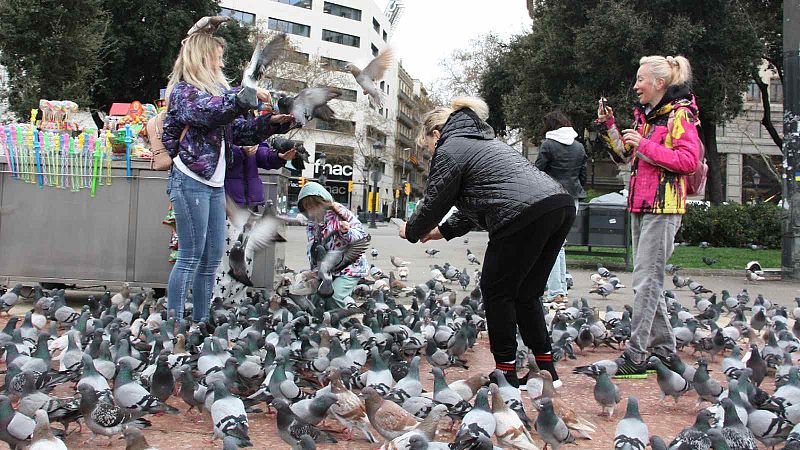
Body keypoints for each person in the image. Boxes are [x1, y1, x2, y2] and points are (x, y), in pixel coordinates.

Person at [399, 97, 575, 387]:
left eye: (428, 146)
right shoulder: (483, 142)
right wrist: (439, 232)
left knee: (496, 291)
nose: (431, 153)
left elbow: (433, 202)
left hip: (521, 215)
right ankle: (546, 369)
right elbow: (479, 204)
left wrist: (413, 230)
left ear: (435, 133)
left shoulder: (451, 147)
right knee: (527, 292)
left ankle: (506, 372)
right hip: (558, 206)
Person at [162, 25, 293, 322]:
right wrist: (243, 96)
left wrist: (272, 122)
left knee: (210, 260)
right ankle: (174, 325)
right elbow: (209, 112)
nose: (221, 64)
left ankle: (199, 321)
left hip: (214, 184)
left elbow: (240, 132)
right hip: (191, 180)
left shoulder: (219, 95)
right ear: (202, 58)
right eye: (218, 57)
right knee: (190, 257)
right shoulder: (184, 92)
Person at [595, 55, 701, 374]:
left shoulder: (680, 115)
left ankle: (637, 353)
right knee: (647, 281)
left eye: (641, 79)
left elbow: (688, 161)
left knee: (646, 281)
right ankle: (665, 350)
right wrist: (609, 126)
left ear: (659, 83)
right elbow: (623, 156)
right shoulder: (645, 116)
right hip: (641, 205)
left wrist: (644, 145)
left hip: (665, 206)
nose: (635, 85)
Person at [212, 138, 297, 305]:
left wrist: (278, 157)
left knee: (244, 259)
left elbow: (261, 153)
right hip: (228, 203)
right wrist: (240, 151)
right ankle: (218, 302)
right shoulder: (223, 121)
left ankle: (237, 301)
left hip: (249, 205)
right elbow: (216, 155)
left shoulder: (251, 123)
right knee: (225, 260)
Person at [535, 111, 587, 304]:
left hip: (551, 197)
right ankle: (561, 289)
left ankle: (556, 291)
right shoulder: (579, 147)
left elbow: (537, 172)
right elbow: (583, 175)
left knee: (551, 245)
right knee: (560, 243)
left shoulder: (548, 145)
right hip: (572, 198)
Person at [298, 182, 368, 310]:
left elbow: (361, 237)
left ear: (322, 203)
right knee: (315, 296)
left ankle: (342, 323)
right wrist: (315, 271)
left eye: (314, 205)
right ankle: (317, 324)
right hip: (327, 269)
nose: (311, 210)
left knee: (335, 296)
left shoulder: (341, 213)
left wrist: (346, 232)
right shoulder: (311, 223)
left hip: (350, 267)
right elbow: (313, 250)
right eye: (307, 207)